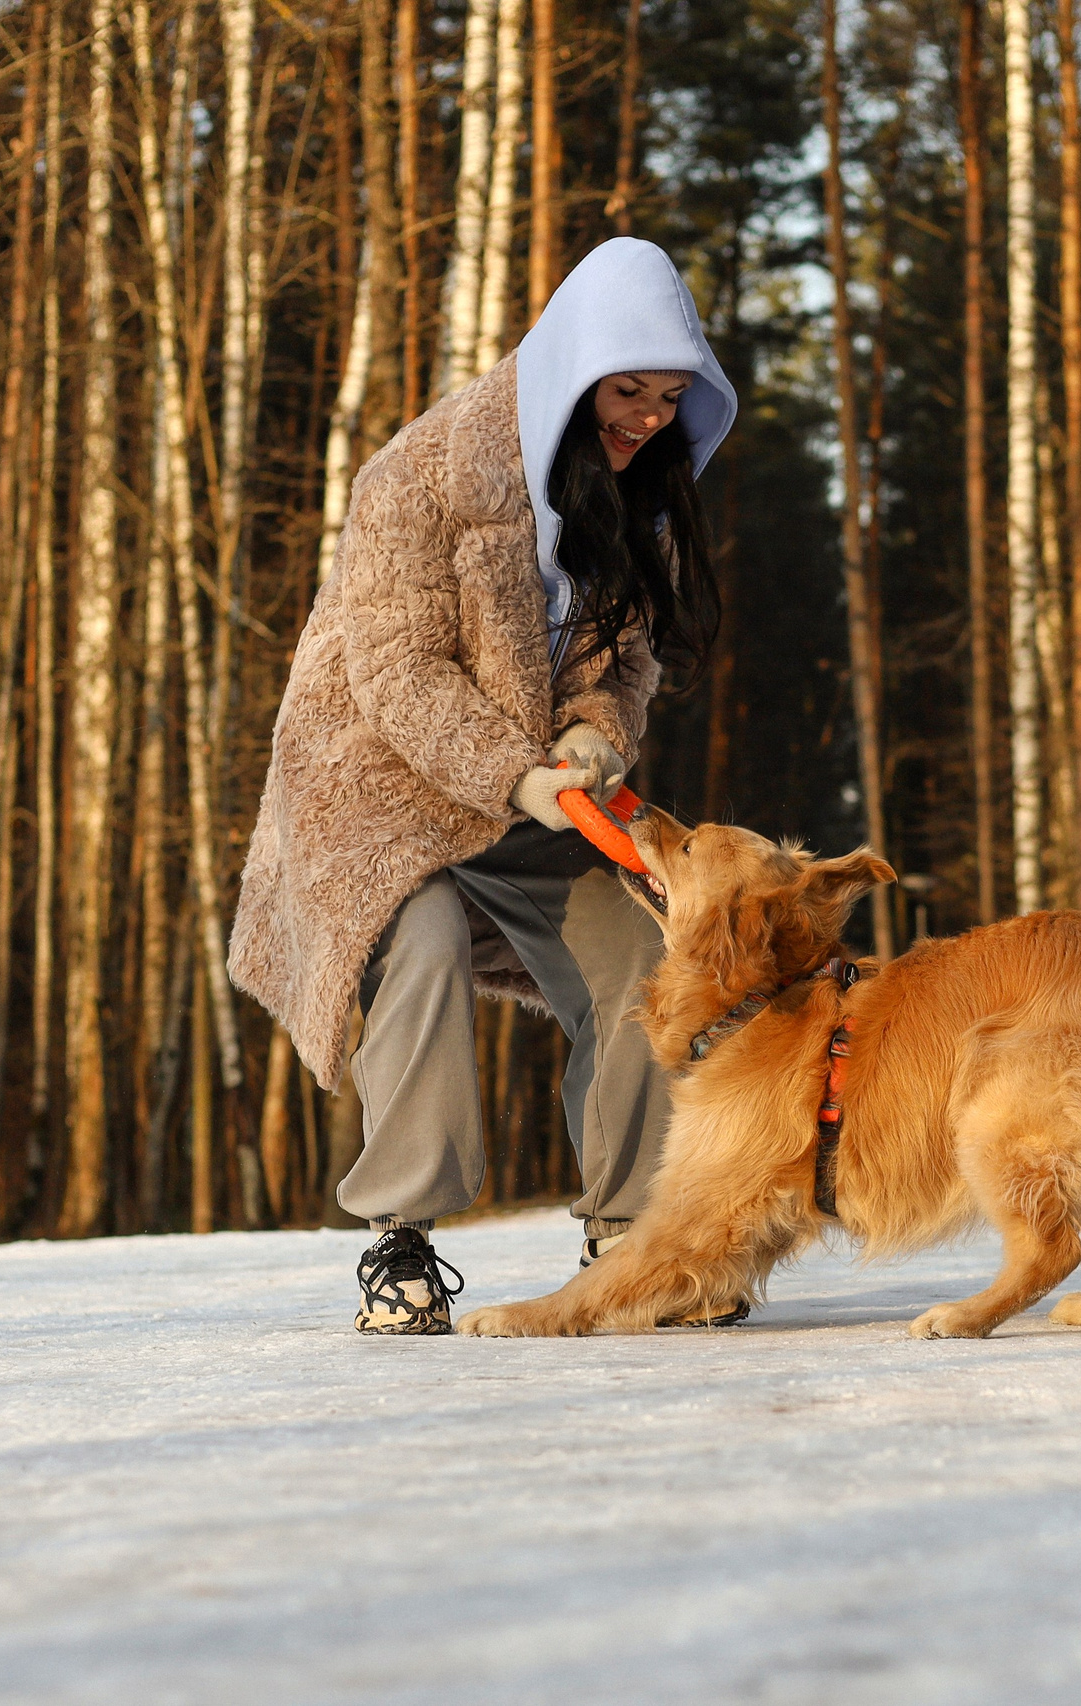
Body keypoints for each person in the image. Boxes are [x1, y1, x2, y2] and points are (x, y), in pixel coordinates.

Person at [229, 239, 737, 1335]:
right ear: (577, 365)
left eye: (670, 395)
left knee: (646, 958)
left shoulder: (634, 494)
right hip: (379, 785)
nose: (648, 415)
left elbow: (626, 662)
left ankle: (634, 1235)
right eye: (628, 388)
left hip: (532, 794)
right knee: (416, 943)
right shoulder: (416, 473)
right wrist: (520, 776)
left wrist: (594, 737)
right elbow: (397, 674)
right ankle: (400, 1239)